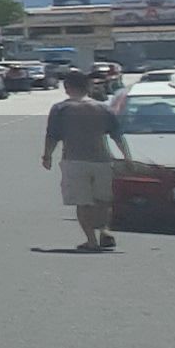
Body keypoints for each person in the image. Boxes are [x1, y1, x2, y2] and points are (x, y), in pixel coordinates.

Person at [40, 69, 127, 251]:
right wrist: (127, 157)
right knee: (103, 200)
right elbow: (117, 135)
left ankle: (91, 240)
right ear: (87, 87)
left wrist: (47, 156)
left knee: (83, 203)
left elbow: (52, 135)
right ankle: (104, 229)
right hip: (102, 160)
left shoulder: (60, 109)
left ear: (67, 87)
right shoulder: (103, 108)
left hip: (74, 160)